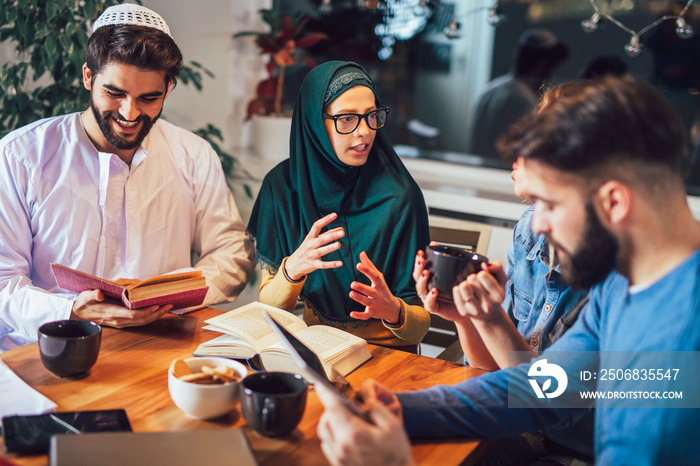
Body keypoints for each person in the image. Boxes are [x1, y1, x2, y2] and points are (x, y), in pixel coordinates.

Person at [316, 76, 700, 465]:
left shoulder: (679, 346)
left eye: (549, 202)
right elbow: (547, 386)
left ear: (614, 202)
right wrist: (402, 411)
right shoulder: (625, 283)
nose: (539, 224)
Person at [0, 4, 254, 352]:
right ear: (89, 76)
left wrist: (163, 294)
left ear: (169, 87)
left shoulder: (194, 155)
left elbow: (230, 253)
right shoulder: (21, 155)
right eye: (115, 93)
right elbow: (3, 283)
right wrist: (72, 309)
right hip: (46, 352)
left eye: (149, 98)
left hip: (158, 349)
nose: (129, 113)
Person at [247, 61, 431, 350]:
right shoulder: (282, 187)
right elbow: (270, 306)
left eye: (372, 116)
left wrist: (394, 311)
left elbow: (418, 331)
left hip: (387, 358)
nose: (364, 132)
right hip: (317, 352)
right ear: (314, 122)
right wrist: (294, 268)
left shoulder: (400, 197)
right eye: (347, 118)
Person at [468, 29, 569, 161]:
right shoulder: (523, 99)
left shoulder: (491, 88)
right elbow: (520, 148)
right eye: (553, 66)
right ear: (541, 64)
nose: (552, 73)